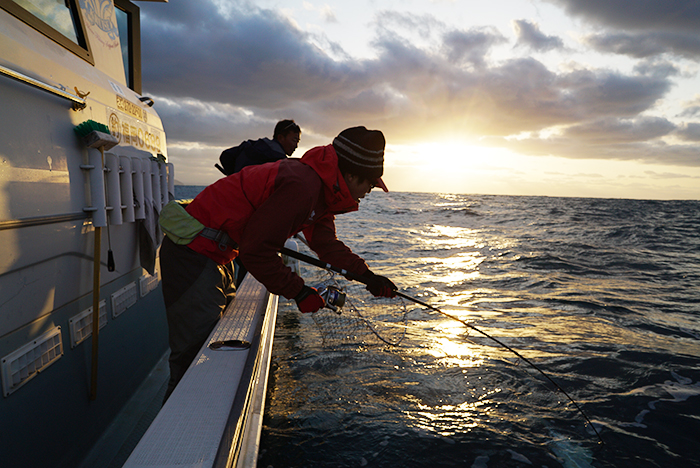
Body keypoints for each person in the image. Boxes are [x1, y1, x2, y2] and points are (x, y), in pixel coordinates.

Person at [159, 126, 397, 401]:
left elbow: (326, 245)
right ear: (351, 174)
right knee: (193, 358)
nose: (369, 191)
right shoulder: (303, 187)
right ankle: (175, 434)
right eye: (369, 183)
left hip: (217, 255)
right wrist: (299, 291)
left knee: (212, 345)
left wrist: (367, 276)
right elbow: (256, 251)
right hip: (193, 253)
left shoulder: (320, 190)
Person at [217, 119, 301, 175]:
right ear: (281, 138)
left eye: (297, 142)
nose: (296, 146)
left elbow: (226, 155)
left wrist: (234, 177)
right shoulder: (280, 162)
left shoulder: (252, 145)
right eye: (294, 140)